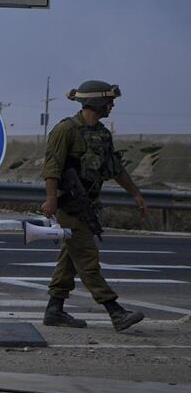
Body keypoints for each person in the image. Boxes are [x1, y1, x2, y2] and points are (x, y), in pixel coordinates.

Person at [39, 80, 148, 332]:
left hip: (87, 204)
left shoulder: (102, 134)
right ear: (97, 102)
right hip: (69, 206)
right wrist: (52, 199)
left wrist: (136, 194)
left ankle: (54, 309)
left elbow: (115, 169)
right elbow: (52, 167)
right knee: (87, 258)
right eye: (109, 101)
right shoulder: (65, 130)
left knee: (70, 258)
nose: (112, 106)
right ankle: (115, 311)